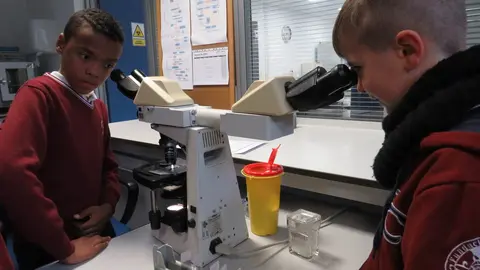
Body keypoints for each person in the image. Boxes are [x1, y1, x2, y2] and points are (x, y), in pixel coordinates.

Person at [332, 0, 480, 269]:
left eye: (358, 69)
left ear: (407, 50)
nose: (361, 87)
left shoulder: (457, 176)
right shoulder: (429, 138)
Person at [0, 8, 123, 269]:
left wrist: (107, 205)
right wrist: (63, 247)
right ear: (61, 44)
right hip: (48, 243)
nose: (95, 71)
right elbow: (13, 172)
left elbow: (108, 166)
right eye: (85, 55)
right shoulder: (38, 95)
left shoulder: (97, 107)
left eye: (107, 64)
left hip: (93, 232)